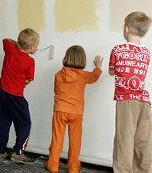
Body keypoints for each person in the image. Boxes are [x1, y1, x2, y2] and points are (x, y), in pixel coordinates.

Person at [45, 46, 102, 172]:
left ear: (66, 57)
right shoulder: (83, 75)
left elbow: (56, 91)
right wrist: (98, 66)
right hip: (76, 112)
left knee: (57, 139)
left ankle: (53, 165)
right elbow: (95, 76)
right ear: (82, 60)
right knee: (75, 141)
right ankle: (74, 167)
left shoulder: (58, 75)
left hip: (60, 110)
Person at [108, 11, 152, 172]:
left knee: (124, 139)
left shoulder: (118, 50)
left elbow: (112, 71)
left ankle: (123, 170)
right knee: (143, 140)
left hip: (126, 99)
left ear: (126, 28)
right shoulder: (147, 53)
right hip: (144, 101)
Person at [0, 28, 40, 163]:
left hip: (2, 92)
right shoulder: (30, 61)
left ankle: (0, 152)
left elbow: (5, 40)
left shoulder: (10, 48)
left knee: (1, 121)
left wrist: (18, 43)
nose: (37, 47)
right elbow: (28, 80)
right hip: (16, 96)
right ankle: (18, 152)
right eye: (36, 45)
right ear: (30, 47)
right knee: (24, 122)